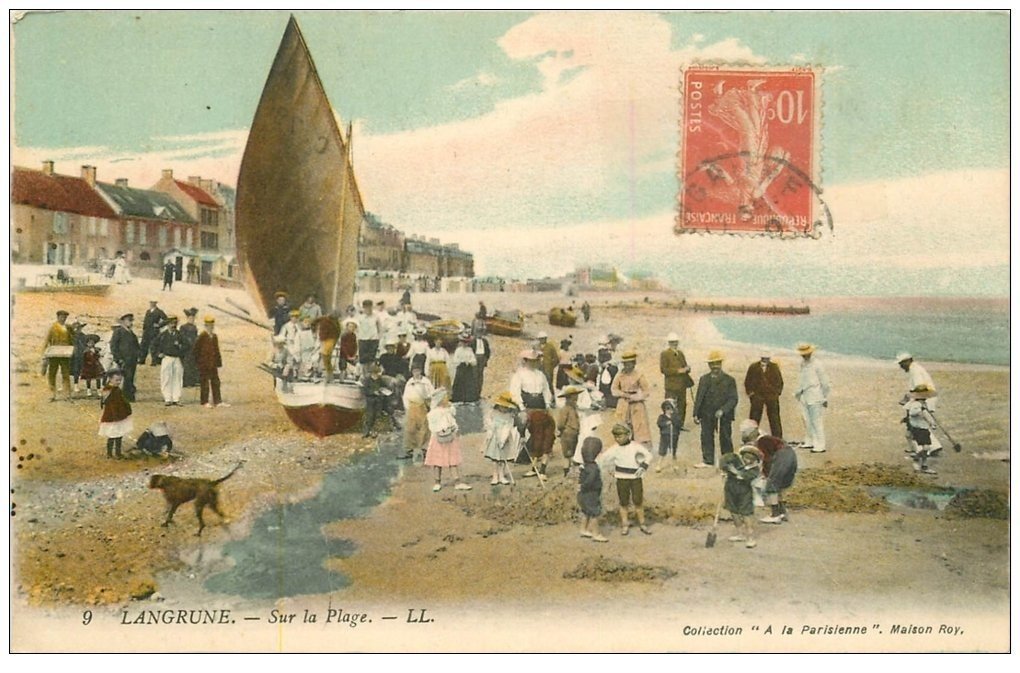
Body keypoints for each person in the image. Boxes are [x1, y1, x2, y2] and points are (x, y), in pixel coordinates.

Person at [597, 423, 653, 536]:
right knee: (623, 502)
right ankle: (625, 524)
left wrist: (643, 466)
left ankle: (642, 523)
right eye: (616, 437)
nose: (618, 439)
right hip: (622, 478)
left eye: (621, 436)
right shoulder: (614, 449)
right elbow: (603, 459)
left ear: (628, 434)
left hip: (636, 478)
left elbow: (648, 456)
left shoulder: (635, 446)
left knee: (638, 501)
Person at [739, 420, 797, 524]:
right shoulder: (766, 438)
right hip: (790, 454)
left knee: (772, 484)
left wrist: (766, 475)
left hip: (782, 456)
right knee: (779, 484)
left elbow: (767, 459)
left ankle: (775, 514)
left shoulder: (762, 441)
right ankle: (782, 511)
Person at [509, 349, 555, 479]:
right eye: (532, 361)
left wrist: (547, 404)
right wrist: (522, 407)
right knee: (536, 435)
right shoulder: (519, 374)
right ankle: (533, 466)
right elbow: (515, 392)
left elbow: (546, 391)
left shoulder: (540, 375)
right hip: (528, 406)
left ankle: (542, 468)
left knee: (548, 434)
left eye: (536, 360)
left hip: (541, 406)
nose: (534, 363)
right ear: (525, 361)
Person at [692, 350, 739, 467]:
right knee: (706, 436)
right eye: (712, 364)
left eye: (717, 363)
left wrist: (723, 410)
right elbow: (699, 397)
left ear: (721, 364)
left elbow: (733, 399)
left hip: (724, 415)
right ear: (709, 365)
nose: (715, 366)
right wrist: (696, 414)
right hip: (706, 413)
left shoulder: (729, 380)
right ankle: (708, 460)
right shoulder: (704, 379)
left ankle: (728, 462)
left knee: (725, 437)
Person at [424, 388, 472, 492]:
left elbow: (452, 420)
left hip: (450, 437)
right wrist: (440, 430)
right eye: (445, 398)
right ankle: (437, 482)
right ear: (440, 400)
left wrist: (454, 428)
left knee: (453, 459)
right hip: (438, 437)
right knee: (437, 461)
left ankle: (457, 481)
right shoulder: (434, 413)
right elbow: (432, 425)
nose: (447, 400)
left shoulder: (448, 410)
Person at [721, 444, 763, 548]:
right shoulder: (736, 462)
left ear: (755, 460)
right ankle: (740, 533)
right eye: (746, 458)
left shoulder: (754, 470)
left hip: (744, 493)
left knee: (746, 514)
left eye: (751, 459)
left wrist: (734, 471)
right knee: (733, 511)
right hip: (730, 490)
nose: (748, 461)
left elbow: (744, 477)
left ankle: (750, 538)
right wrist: (726, 468)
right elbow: (724, 463)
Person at [610, 350, 653, 446]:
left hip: (636, 404)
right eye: (625, 364)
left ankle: (638, 447)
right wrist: (624, 394)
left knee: (638, 427)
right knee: (622, 425)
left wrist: (637, 397)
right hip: (623, 402)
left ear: (634, 364)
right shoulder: (620, 375)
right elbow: (613, 390)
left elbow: (646, 391)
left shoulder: (639, 375)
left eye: (629, 364)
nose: (627, 366)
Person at [482, 391, 525, 485]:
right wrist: (491, 427)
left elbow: (508, 427)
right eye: (502, 406)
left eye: (506, 407)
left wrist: (502, 439)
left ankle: (502, 475)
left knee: (503, 458)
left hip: (504, 438)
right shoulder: (493, 413)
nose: (504, 409)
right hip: (494, 437)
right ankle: (495, 475)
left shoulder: (509, 416)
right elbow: (487, 422)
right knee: (495, 458)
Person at [794, 343, 830, 453]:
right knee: (806, 420)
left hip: (815, 396)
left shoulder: (818, 364)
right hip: (804, 395)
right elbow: (801, 379)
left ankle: (820, 445)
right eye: (803, 354)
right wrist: (798, 392)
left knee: (816, 421)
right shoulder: (802, 364)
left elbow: (825, 383)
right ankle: (809, 441)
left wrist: (824, 397)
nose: (805, 356)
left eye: (807, 354)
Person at [744, 351, 784, 437]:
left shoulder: (774, 367)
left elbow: (780, 382)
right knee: (754, 419)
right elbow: (748, 381)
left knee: (774, 419)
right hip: (757, 397)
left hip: (771, 397)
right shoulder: (753, 367)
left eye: (767, 358)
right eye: (764, 358)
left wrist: (776, 393)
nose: (765, 360)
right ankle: (751, 438)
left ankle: (778, 439)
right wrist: (751, 394)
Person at [901, 385, 940, 475]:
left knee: (925, 447)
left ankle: (922, 463)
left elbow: (923, 414)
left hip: (920, 427)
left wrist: (931, 422)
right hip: (920, 428)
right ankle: (919, 460)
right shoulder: (917, 405)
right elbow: (913, 413)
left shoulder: (921, 404)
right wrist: (923, 412)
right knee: (926, 447)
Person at [659, 333, 693, 429]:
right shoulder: (665, 354)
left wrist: (687, 369)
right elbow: (663, 370)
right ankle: (669, 424)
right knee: (670, 405)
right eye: (672, 342)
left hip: (682, 384)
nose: (674, 344)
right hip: (671, 385)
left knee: (682, 405)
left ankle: (679, 425)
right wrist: (678, 371)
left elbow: (685, 365)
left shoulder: (680, 353)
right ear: (669, 343)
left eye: (675, 342)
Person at [577, 437, 608, 542]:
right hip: (591, 493)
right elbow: (590, 481)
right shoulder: (594, 468)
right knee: (595, 513)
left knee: (586, 512)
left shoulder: (584, 466)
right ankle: (596, 533)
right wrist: (585, 486)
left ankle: (583, 529)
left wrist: (581, 487)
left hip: (583, 494)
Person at [401, 365, 435, 460]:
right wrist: (407, 407)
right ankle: (409, 449)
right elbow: (405, 395)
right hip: (412, 407)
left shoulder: (426, 382)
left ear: (421, 371)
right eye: (414, 371)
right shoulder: (409, 382)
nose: (416, 373)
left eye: (418, 370)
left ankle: (425, 449)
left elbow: (431, 394)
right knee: (410, 428)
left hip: (422, 406)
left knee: (424, 428)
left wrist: (430, 406)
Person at [195, 316, 229, 408]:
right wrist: (199, 363)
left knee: (216, 382)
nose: (211, 327)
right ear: (205, 326)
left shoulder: (214, 336)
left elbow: (216, 350)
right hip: (204, 364)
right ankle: (204, 401)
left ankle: (217, 401)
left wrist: (218, 362)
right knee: (204, 382)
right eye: (209, 326)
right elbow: (196, 350)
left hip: (213, 363)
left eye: (212, 326)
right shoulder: (202, 336)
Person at [98, 369, 132, 459]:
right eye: (116, 380)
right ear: (110, 379)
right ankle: (109, 453)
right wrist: (115, 415)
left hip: (119, 415)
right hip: (112, 416)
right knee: (112, 435)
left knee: (119, 435)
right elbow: (108, 403)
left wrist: (127, 409)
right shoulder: (108, 390)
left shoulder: (117, 389)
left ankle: (118, 452)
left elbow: (122, 400)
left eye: (120, 380)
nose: (119, 382)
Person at [42, 309, 74, 401]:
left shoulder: (68, 327)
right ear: (58, 317)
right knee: (52, 373)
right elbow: (47, 340)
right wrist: (45, 353)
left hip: (65, 354)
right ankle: (52, 395)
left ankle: (67, 395)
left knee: (66, 374)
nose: (63, 318)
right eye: (61, 317)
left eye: (65, 317)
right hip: (54, 353)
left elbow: (74, 338)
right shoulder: (53, 327)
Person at [109, 313, 140, 402]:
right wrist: (118, 358)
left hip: (132, 360)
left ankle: (129, 396)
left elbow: (137, 346)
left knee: (130, 378)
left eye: (132, 320)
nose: (131, 323)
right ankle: (125, 396)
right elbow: (113, 346)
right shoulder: (118, 331)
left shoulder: (132, 333)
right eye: (129, 320)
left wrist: (137, 355)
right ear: (123, 321)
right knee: (123, 378)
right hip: (123, 360)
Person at [155, 316, 185, 406]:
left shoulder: (179, 335)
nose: (173, 325)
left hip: (177, 358)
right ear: (168, 324)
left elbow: (187, 345)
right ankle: (167, 398)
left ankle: (176, 398)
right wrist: (158, 354)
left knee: (177, 378)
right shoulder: (163, 335)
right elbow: (154, 345)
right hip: (166, 358)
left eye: (175, 323)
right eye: (171, 323)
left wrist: (180, 346)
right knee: (166, 378)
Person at [361, 363, 396, 438]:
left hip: (378, 400)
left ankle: (374, 431)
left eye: (377, 374)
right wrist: (373, 392)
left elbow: (384, 387)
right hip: (370, 400)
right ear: (372, 373)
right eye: (375, 374)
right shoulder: (367, 380)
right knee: (370, 416)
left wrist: (383, 391)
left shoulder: (380, 380)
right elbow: (365, 390)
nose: (376, 376)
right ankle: (366, 431)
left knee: (377, 416)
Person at [557, 385, 583, 477]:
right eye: (574, 396)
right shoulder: (565, 409)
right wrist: (561, 430)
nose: (576, 398)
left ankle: (570, 471)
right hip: (568, 433)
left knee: (572, 453)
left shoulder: (573, 408)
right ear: (569, 397)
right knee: (567, 454)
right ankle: (567, 472)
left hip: (573, 433)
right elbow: (560, 423)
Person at [450, 332, 478, 404]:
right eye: (463, 342)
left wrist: (469, 361)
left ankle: (468, 399)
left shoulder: (470, 350)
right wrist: (461, 361)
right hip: (460, 368)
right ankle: (458, 398)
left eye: (466, 342)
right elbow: (455, 360)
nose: (465, 344)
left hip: (468, 369)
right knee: (459, 382)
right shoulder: (458, 350)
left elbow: (474, 361)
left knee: (468, 383)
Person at [656, 399, 682, 471]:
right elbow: (659, 424)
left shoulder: (675, 417)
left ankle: (674, 464)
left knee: (673, 450)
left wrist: (673, 421)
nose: (669, 410)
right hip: (665, 436)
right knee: (662, 450)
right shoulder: (662, 417)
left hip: (674, 435)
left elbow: (679, 424)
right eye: (667, 409)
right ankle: (659, 464)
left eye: (670, 409)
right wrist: (665, 423)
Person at [139, 299, 167, 366]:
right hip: (146, 331)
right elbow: (145, 321)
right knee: (144, 345)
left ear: (156, 303)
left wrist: (159, 325)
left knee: (153, 346)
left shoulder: (159, 311)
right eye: (151, 302)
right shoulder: (148, 311)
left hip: (154, 332)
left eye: (153, 303)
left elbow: (166, 319)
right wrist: (144, 329)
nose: (151, 304)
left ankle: (154, 361)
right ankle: (142, 360)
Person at [356, 299, 382, 364]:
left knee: (371, 358)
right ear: (364, 308)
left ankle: (369, 373)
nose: (368, 309)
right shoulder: (360, 317)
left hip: (373, 340)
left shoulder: (376, 317)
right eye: (366, 307)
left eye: (370, 307)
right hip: (363, 339)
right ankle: (364, 373)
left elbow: (379, 328)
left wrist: (378, 338)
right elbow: (356, 329)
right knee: (363, 359)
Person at [180, 308, 200, 388]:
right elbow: (182, 337)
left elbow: (195, 336)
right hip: (186, 348)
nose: (192, 320)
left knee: (193, 364)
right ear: (187, 318)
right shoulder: (183, 327)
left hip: (193, 348)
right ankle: (186, 381)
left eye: (193, 318)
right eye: (190, 318)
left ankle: (193, 381)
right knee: (186, 365)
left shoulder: (194, 327)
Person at [471, 322, 492, 399]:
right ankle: (473, 393)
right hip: (475, 358)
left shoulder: (485, 341)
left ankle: (478, 393)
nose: (479, 334)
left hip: (482, 358)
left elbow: (488, 351)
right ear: (476, 333)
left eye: (481, 333)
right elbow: (471, 351)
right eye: (478, 332)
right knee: (474, 376)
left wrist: (486, 359)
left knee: (480, 376)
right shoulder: (473, 341)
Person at [69, 316, 88, 396]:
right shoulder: (70, 336)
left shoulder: (83, 336)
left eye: (79, 328)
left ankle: (77, 385)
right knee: (68, 369)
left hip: (80, 355)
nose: (78, 329)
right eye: (76, 328)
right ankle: (67, 385)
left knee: (78, 370)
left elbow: (85, 344)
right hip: (72, 354)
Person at [536, 332, 559, 397]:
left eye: (543, 338)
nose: (542, 340)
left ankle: (552, 397)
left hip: (548, 369)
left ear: (546, 339)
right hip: (539, 368)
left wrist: (551, 367)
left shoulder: (550, 347)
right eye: (541, 339)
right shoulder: (536, 347)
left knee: (549, 383)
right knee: (538, 383)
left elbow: (556, 359)